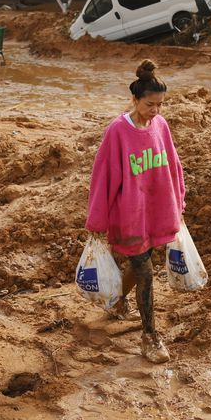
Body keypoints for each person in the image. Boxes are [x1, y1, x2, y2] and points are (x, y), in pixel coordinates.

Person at [85, 59, 185, 364]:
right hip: (129, 214)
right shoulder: (117, 131)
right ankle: (150, 337)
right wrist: (97, 219)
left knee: (142, 261)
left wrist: (178, 199)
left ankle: (117, 302)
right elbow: (102, 176)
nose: (155, 111)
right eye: (149, 105)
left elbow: (173, 163)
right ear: (134, 99)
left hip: (155, 209)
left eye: (160, 105)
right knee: (145, 271)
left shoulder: (160, 125)